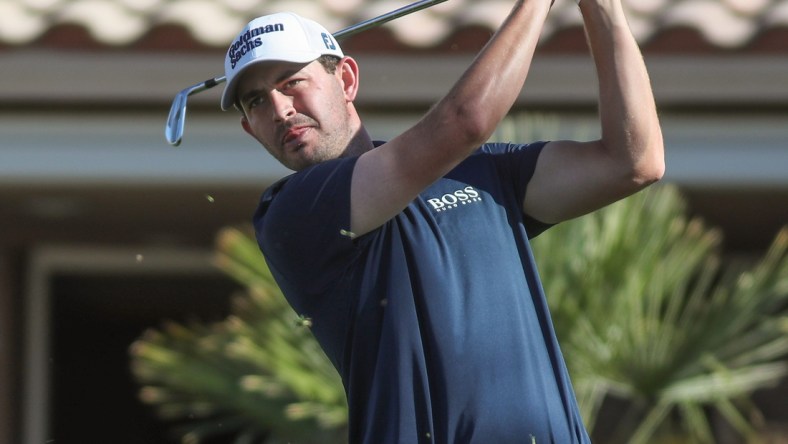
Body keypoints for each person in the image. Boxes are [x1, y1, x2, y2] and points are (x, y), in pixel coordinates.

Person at [221, 0, 664, 441]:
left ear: (347, 79)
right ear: (249, 128)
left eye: (292, 82)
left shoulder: (481, 171)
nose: (280, 109)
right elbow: (465, 121)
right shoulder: (292, 211)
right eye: (257, 101)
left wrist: (601, 7)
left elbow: (634, 162)